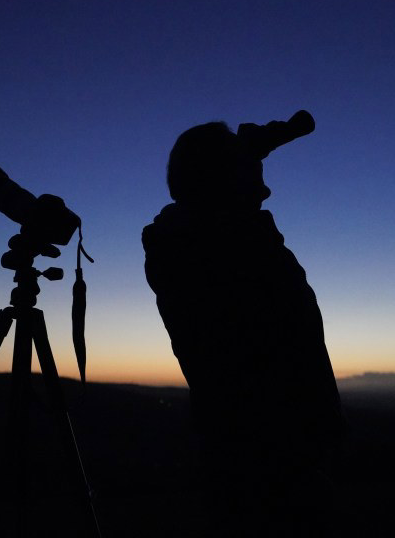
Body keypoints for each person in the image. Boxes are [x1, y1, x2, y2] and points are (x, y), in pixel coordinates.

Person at [142, 111, 344, 536]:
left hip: (273, 446)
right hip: (261, 452)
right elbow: (261, 302)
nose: (264, 187)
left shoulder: (205, 235)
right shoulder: (199, 244)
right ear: (217, 179)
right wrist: (246, 169)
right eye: (242, 167)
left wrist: (243, 164)